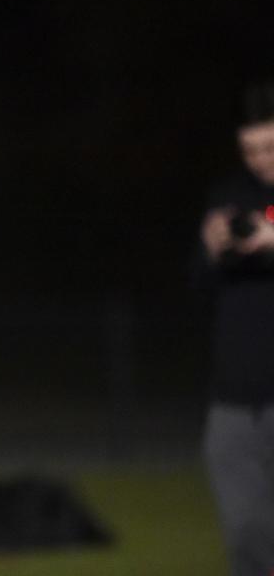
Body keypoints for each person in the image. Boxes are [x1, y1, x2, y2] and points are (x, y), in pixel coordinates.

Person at [195, 81, 274, 576]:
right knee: (246, 532)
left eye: (269, 148)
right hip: (233, 399)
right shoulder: (229, 194)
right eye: (249, 149)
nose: (259, 160)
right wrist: (211, 245)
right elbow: (196, 282)